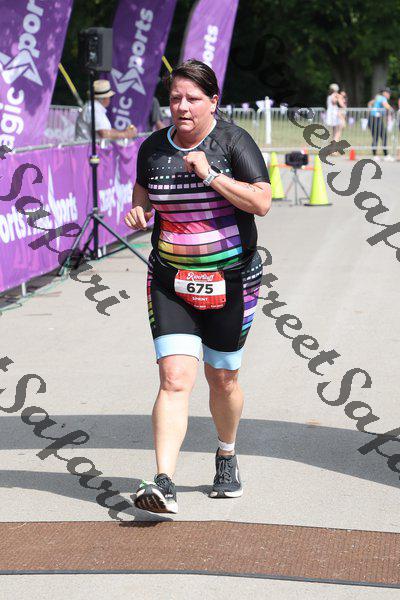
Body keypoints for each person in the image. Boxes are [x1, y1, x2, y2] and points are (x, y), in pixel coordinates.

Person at [124, 59, 271, 515]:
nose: (182, 107)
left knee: (222, 378)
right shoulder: (153, 147)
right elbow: (143, 192)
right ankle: (163, 481)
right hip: (171, 279)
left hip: (231, 279)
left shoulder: (233, 142)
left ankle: (226, 453)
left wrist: (210, 174)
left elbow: (262, 202)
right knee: (173, 378)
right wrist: (140, 211)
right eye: (175, 99)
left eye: (192, 98)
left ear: (213, 101)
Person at [367, 87, 394, 161]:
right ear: (384, 93)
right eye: (388, 93)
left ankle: (376, 155)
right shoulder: (383, 98)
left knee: (377, 137)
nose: (389, 94)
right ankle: (385, 155)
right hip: (376, 119)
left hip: (372, 118)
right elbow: (386, 105)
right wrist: (392, 109)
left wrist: (371, 110)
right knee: (382, 136)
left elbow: (369, 103)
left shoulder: (378, 97)